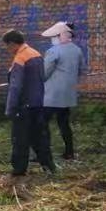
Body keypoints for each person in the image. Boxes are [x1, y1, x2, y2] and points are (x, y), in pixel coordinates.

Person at [3, 29, 56, 179]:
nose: (8, 50)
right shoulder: (36, 54)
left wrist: (10, 108)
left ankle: (19, 170)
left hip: (23, 106)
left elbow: (15, 86)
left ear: (12, 44)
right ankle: (49, 166)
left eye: (7, 46)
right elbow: (43, 77)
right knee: (39, 137)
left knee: (20, 139)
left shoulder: (20, 58)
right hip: (38, 104)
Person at [40, 21, 84, 161]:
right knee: (64, 124)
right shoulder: (77, 50)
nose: (52, 39)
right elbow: (80, 70)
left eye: (54, 36)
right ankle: (69, 152)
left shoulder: (53, 51)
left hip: (51, 95)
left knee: (42, 123)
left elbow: (44, 73)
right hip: (68, 95)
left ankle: (43, 153)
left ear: (59, 36)